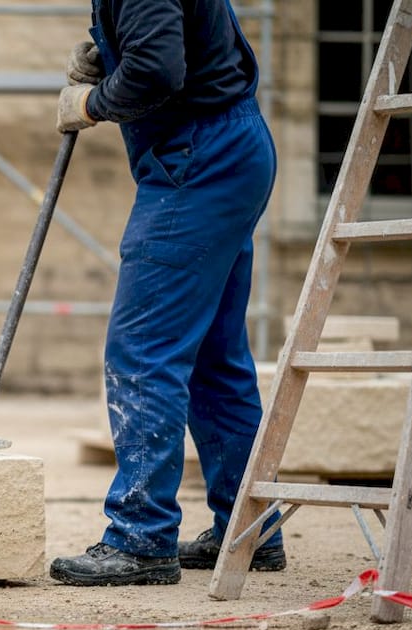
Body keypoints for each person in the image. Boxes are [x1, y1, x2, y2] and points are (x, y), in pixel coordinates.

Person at [49, 0, 285, 586]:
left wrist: (93, 102)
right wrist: (110, 57)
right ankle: (248, 531)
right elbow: (172, 43)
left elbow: (157, 70)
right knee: (213, 355)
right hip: (227, 149)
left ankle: (140, 537)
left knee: (143, 350)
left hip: (198, 157)